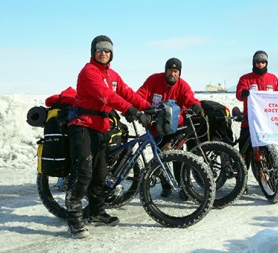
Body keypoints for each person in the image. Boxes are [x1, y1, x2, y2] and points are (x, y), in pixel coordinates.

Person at [66, 35, 150, 239]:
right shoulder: (89, 72)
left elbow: (127, 93)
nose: (103, 53)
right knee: (84, 172)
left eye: (107, 50)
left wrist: (148, 108)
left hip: (102, 128)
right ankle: (74, 217)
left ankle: (96, 212)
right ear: (93, 52)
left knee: (100, 173)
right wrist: (130, 110)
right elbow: (107, 95)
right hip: (83, 126)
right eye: (99, 49)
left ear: (112, 53)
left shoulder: (112, 75)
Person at [136, 57, 202, 198]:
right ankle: (166, 185)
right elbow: (140, 95)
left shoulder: (183, 85)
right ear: (165, 70)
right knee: (159, 157)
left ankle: (183, 186)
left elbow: (189, 98)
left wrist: (195, 105)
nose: (173, 74)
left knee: (178, 157)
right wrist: (144, 109)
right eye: (171, 70)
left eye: (176, 71)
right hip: (155, 128)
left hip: (175, 129)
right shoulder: (153, 80)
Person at [235, 50, 278, 169]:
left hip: (268, 121)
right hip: (249, 121)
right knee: (244, 154)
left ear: (266, 63)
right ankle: (242, 180)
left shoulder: (273, 78)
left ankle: (272, 178)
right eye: (257, 62)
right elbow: (239, 95)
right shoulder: (245, 79)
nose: (260, 64)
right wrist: (243, 93)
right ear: (254, 63)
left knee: (271, 150)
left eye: (263, 62)